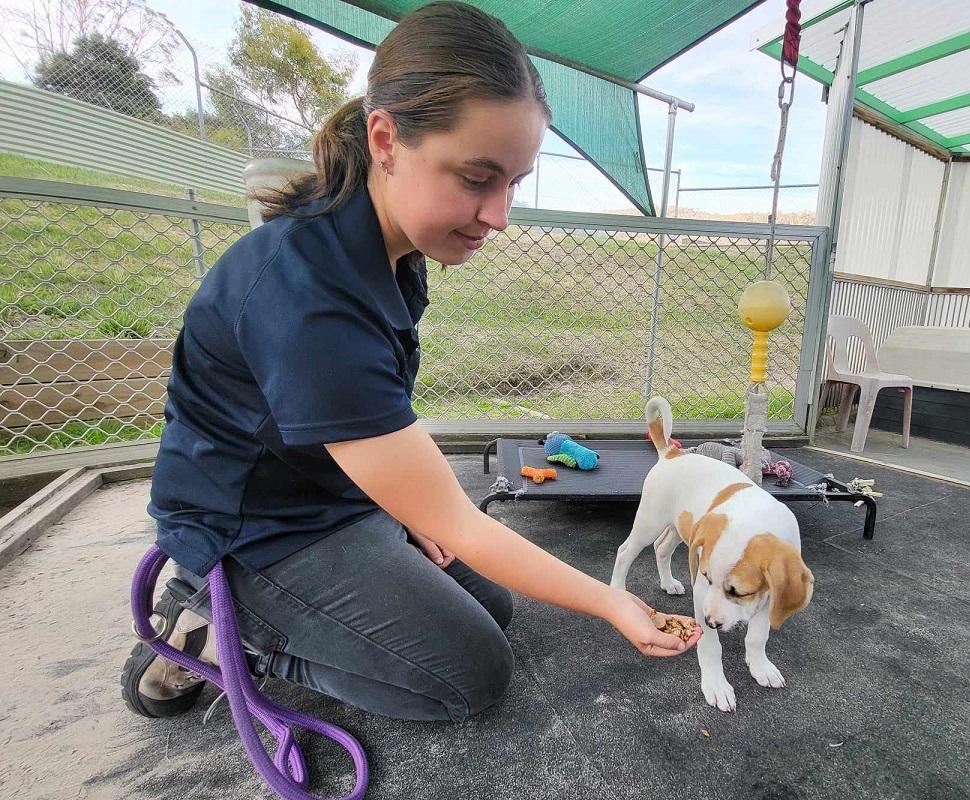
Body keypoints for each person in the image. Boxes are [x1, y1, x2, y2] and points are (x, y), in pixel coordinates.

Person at [121, 1, 698, 724]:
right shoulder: (308, 297)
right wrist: (612, 601)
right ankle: (224, 633)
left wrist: (402, 506)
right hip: (257, 530)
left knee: (492, 606)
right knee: (468, 675)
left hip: (326, 493)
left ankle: (293, 609)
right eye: (476, 178)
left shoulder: (393, 257)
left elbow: (375, 429)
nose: (499, 215)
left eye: (515, 182)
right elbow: (460, 520)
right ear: (386, 139)